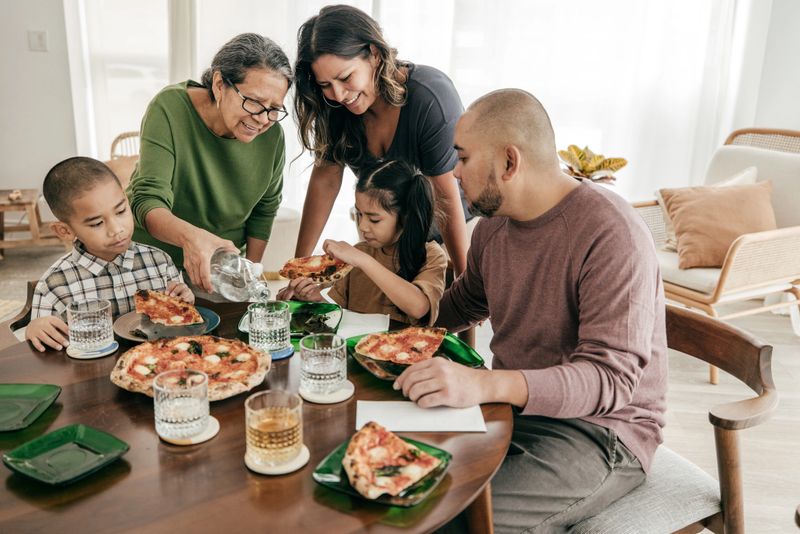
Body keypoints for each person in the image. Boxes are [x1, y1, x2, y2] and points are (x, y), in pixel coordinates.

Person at [394, 89, 668, 532]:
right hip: (513, 411)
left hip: (601, 432)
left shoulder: (612, 233)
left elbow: (610, 379)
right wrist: (390, 332)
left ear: (508, 162)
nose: (453, 173)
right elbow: (462, 304)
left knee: (447, 516)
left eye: (462, 158)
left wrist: (481, 384)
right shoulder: (492, 227)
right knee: (390, 478)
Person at [293, 4, 473, 274]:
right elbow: (326, 180)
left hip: (454, 230)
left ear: (374, 54)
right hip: (389, 232)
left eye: (345, 77)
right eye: (325, 85)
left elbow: (445, 197)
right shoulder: (333, 106)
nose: (339, 95)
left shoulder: (430, 98)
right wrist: (300, 266)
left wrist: (463, 281)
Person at [128, 33, 292, 293]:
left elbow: (264, 209)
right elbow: (148, 200)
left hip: (220, 271)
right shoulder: (170, 108)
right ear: (219, 84)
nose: (263, 119)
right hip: (151, 265)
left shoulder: (272, 136)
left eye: (274, 108)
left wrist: (246, 275)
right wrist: (193, 238)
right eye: (254, 102)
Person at [26, 157, 193, 352]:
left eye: (121, 211)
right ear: (65, 231)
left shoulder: (160, 262)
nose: (116, 229)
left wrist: (185, 301)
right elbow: (41, 348)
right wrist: (34, 329)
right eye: (97, 223)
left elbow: (180, 322)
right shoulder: (53, 286)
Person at [278, 159, 447, 326]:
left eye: (374, 220)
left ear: (406, 217)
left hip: (405, 349)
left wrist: (363, 261)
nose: (363, 226)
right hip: (356, 348)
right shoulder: (359, 254)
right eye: (359, 214)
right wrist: (314, 299)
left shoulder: (431, 255)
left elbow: (418, 308)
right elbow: (340, 316)